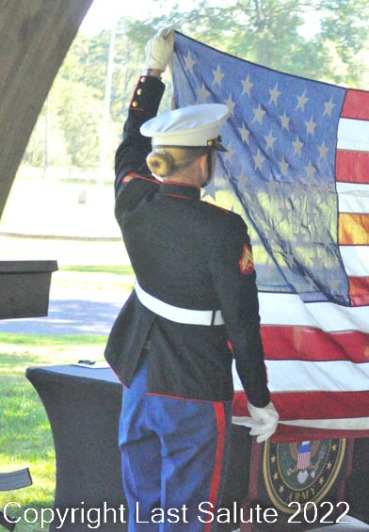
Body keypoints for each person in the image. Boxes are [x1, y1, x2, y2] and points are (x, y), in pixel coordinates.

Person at [104, 29, 279, 530]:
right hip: (193, 386)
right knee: (186, 516)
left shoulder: (132, 200)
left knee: (142, 509)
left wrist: (152, 73)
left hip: (138, 375)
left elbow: (129, 144)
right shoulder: (224, 229)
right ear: (203, 160)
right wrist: (260, 399)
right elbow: (243, 325)